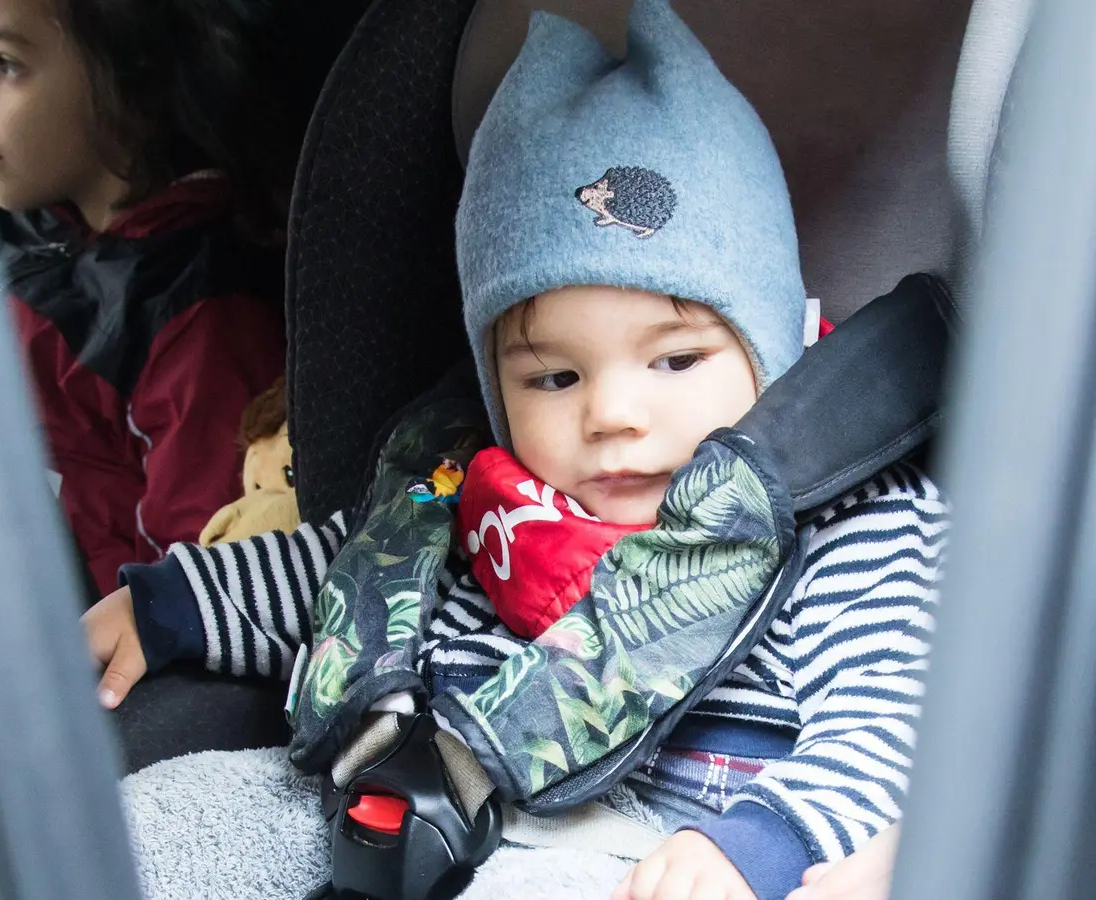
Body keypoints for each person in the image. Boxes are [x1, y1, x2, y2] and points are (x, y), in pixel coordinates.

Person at [87, 1, 947, 897]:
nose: (613, 413)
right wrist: (169, 606)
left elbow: (895, 723)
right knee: (153, 825)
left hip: (656, 853)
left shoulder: (848, 521)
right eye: (554, 379)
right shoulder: (478, 498)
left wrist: (765, 842)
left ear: (772, 349)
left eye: (677, 359)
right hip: (429, 806)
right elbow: (336, 575)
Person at [0, 0, 293, 597]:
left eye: (6, 64)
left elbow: (193, 583)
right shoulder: (42, 223)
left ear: (130, 84)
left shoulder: (199, 322)